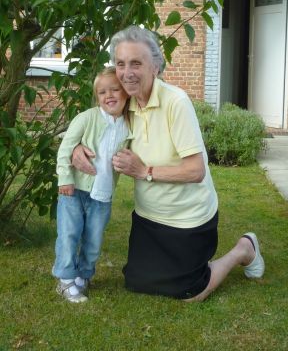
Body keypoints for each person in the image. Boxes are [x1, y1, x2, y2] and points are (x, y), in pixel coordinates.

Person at [72, 26, 265, 302]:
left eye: (136, 63)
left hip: (188, 217)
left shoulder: (176, 102)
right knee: (137, 282)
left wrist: (144, 171)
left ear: (156, 66)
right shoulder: (124, 104)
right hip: (149, 217)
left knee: (190, 292)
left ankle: (243, 249)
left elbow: (196, 170)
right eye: (120, 64)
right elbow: (92, 128)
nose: (127, 72)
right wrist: (77, 147)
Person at [52, 66, 132, 303]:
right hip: (74, 191)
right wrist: (65, 178)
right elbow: (66, 148)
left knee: (94, 240)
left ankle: (84, 276)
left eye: (115, 90)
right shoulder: (87, 118)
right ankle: (65, 279)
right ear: (96, 97)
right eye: (102, 92)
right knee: (69, 234)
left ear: (126, 93)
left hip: (102, 195)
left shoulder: (129, 126)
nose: (109, 95)